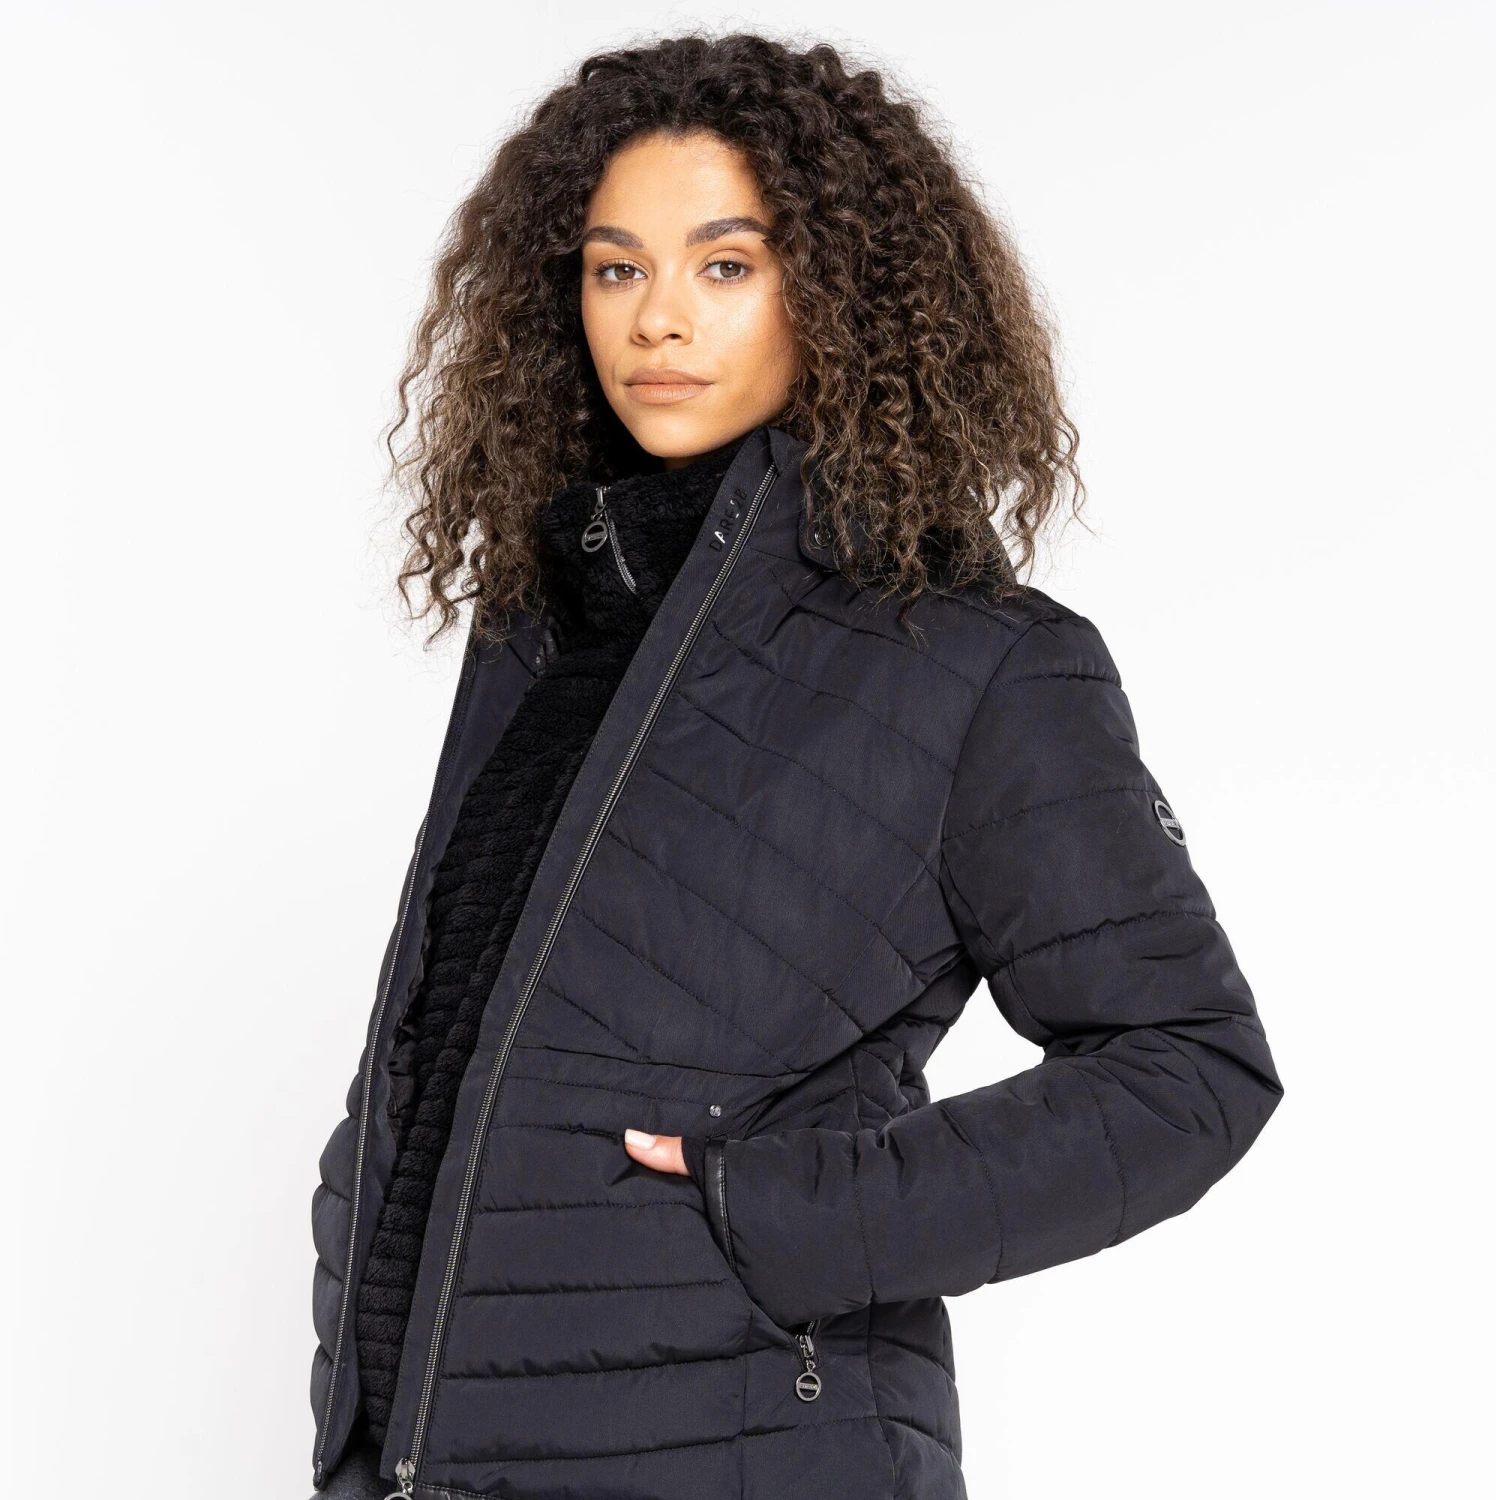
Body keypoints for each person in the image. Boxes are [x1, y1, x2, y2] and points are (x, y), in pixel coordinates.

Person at [308, 31, 1282, 1500]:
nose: (658, 320)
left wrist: (790, 1216)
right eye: (616, 269)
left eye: (726, 265)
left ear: (838, 288)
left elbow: (1190, 1072)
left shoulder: (977, 661)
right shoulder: (545, 630)